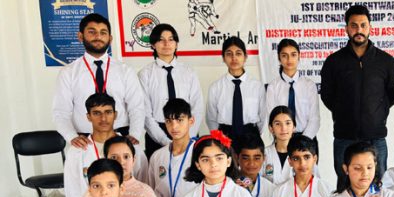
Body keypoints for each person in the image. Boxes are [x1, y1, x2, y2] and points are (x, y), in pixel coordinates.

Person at [321, 4, 394, 179]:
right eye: (354, 25)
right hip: (344, 136)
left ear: (370, 27)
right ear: (347, 28)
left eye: (363, 25)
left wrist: (378, 112)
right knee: (344, 183)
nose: (359, 30)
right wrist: (342, 111)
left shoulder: (385, 61)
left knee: (378, 184)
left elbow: (392, 93)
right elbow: (327, 95)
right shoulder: (334, 61)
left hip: (376, 137)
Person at [53, 13, 145, 150]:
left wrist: (135, 134)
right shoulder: (68, 72)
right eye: (92, 32)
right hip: (85, 139)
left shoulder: (125, 71)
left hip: (122, 136)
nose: (98, 36)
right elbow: (60, 111)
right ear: (80, 36)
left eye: (103, 32)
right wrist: (71, 136)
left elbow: (137, 106)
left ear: (110, 38)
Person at [64, 93, 149, 197]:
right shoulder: (77, 152)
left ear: (115, 114)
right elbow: (73, 193)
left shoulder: (132, 148)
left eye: (108, 112)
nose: (103, 118)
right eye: (97, 113)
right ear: (88, 117)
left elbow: (143, 183)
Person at [139, 23, 204, 159]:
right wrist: (165, 141)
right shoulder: (145, 74)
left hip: (187, 131)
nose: (166, 43)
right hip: (157, 134)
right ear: (153, 44)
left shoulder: (188, 72)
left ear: (176, 44)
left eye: (171, 39)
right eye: (161, 40)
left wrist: (188, 137)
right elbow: (146, 113)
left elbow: (197, 107)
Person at [206, 36, 266, 142]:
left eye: (238, 53)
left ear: (245, 57)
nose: (234, 58)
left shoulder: (257, 86)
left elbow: (263, 116)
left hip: (251, 135)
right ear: (223, 58)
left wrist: (255, 136)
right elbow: (211, 119)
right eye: (229, 54)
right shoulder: (216, 87)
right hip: (225, 136)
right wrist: (220, 139)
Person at [265, 38, 320, 139]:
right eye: (284, 55)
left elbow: (314, 119)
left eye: (293, 54)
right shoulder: (273, 87)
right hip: (282, 139)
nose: (289, 59)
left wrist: (304, 140)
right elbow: (272, 118)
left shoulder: (309, 85)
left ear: (299, 56)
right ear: (279, 58)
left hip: (307, 139)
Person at [233, 133, 276, 197]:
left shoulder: (271, 189)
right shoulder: (229, 187)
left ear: (264, 158)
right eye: (245, 158)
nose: (251, 163)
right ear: (236, 158)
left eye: (257, 158)